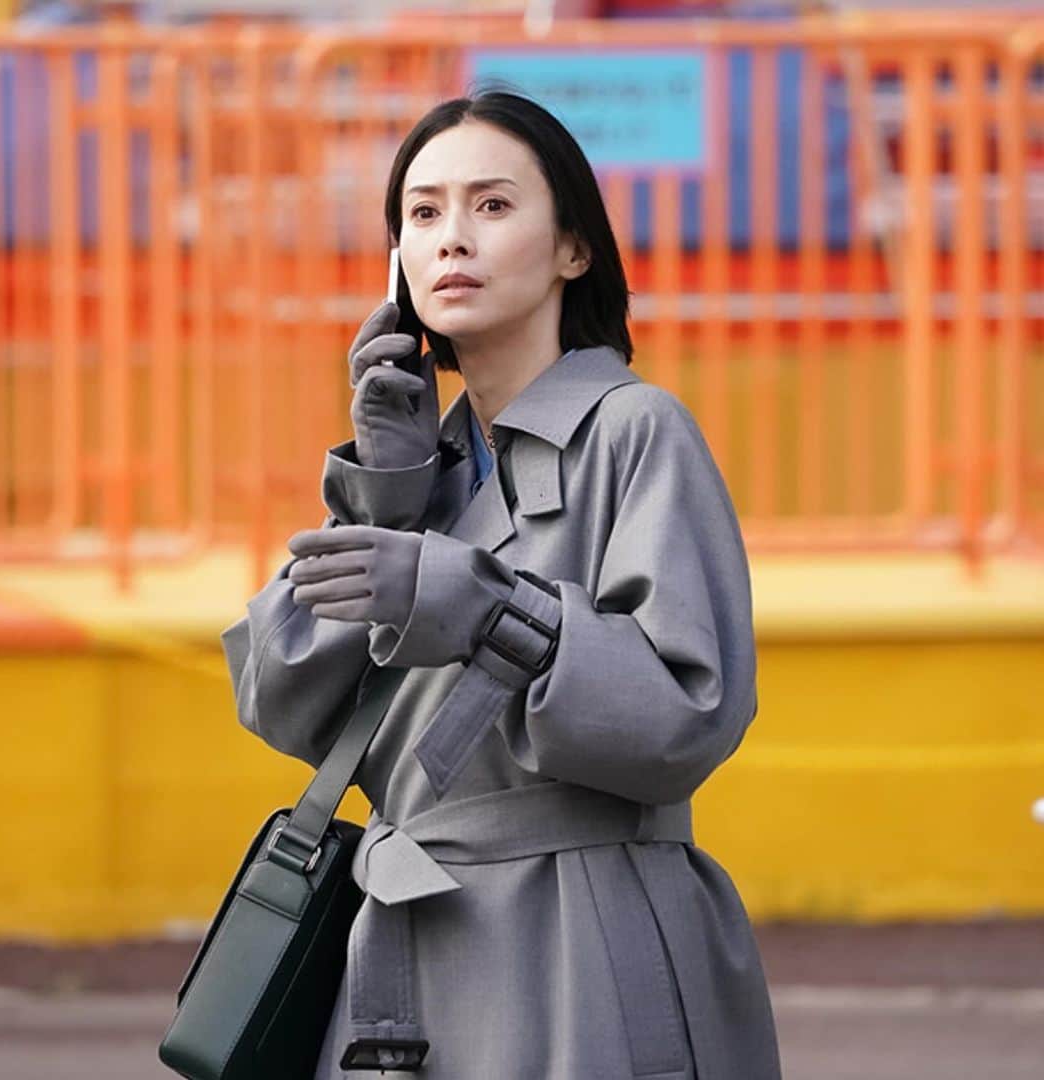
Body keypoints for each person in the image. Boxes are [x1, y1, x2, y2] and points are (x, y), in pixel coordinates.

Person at [220, 88, 782, 1079]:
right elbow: (277, 696)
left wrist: (485, 608)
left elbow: (688, 721)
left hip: (580, 941)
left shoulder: (636, 431)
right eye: (423, 212)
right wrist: (386, 494)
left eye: (492, 205)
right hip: (400, 961)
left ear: (574, 248)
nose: (452, 238)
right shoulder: (422, 467)